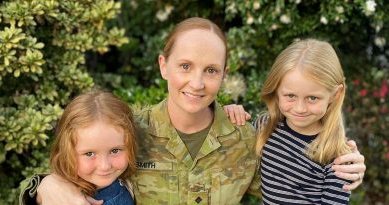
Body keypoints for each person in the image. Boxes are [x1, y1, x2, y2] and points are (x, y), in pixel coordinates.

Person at [19, 17, 365, 205]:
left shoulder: (247, 136)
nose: (197, 83)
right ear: (163, 66)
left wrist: (343, 162)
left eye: (211, 70)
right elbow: (74, 163)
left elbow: (288, 181)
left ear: (224, 75)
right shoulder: (128, 131)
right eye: (185, 66)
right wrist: (46, 186)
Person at [255, 38, 352, 204]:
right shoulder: (265, 127)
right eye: (290, 96)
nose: (300, 108)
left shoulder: (336, 155)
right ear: (276, 90)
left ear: (335, 94)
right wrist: (233, 111)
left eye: (312, 98)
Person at [39, 90, 137, 205]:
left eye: (115, 151)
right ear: (67, 151)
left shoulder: (125, 190)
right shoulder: (56, 193)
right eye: (89, 153)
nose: (104, 166)